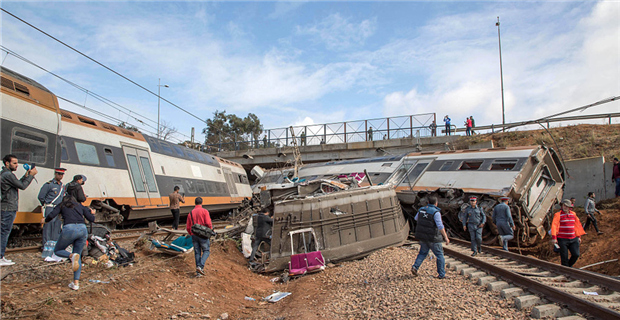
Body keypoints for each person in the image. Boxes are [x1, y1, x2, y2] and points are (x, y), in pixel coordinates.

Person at [45, 195, 95, 290]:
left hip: (69, 229)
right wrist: (92, 213)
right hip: (82, 229)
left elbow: (51, 215)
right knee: (78, 255)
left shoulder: (62, 205)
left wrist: (45, 220)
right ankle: (76, 283)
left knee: (58, 250)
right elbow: (91, 219)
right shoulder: (79, 206)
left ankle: (71, 256)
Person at [1, 154, 38, 266]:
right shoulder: (8, 175)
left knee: (3, 231)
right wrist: (31, 176)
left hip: (6, 207)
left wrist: (26, 175)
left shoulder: (6, 174)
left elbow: (17, 184)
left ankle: (1, 256)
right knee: (4, 232)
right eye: (14, 163)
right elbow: (22, 186)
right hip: (8, 207)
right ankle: (0, 257)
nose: (17, 165)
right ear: (7, 163)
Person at [410, 197, 450, 279]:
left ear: (428, 202)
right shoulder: (436, 212)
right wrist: (445, 237)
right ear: (436, 203)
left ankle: (415, 267)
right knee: (439, 255)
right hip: (433, 237)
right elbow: (440, 226)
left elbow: (416, 218)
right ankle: (441, 274)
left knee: (422, 253)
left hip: (423, 237)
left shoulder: (421, 210)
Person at [38, 168, 67, 258]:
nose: (60, 176)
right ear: (55, 174)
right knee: (48, 227)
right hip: (50, 207)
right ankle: (45, 246)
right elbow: (41, 196)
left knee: (57, 227)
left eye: (62, 174)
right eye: (59, 174)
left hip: (58, 208)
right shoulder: (49, 184)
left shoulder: (62, 186)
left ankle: (54, 246)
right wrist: (46, 204)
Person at [551, 199, 585, 267]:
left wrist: (578, 236)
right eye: (564, 205)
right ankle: (566, 270)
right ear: (562, 206)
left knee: (576, 254)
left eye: (567, 206)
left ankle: (567, 267)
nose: (565, 207)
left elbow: (577, 225)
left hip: (573, 239)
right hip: (562, 239)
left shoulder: (573, 214)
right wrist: (554, 238)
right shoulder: (558, 215)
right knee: (564, 257)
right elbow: (554, 226)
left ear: (570, 207)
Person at [186, 197, 212, 277]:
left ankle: (198, 272)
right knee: (206, 251)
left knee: (197, 252)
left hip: (194, 235)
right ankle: (200, 266)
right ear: (202, 203)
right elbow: (208, 223)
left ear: (195, 203)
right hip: (203, 235)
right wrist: (210, 231)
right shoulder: (205, 211)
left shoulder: (190, 213)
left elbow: (188, 226)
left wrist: (191, 233)